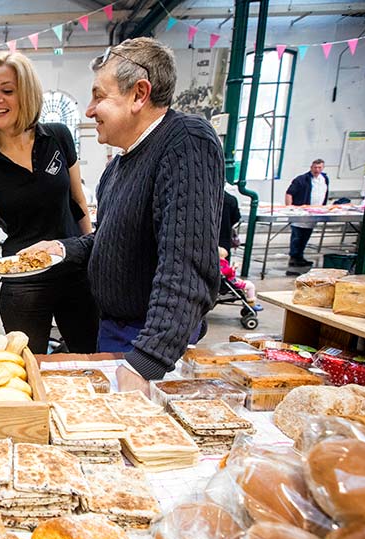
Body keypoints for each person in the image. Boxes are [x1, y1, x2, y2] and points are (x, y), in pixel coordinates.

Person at [27, 37, 224, 393]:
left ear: (139, 94)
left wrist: (147, 359)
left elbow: (187, 265)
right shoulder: (119, 166)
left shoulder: (185, 141)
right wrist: (63, 249)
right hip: (117, 332)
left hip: (154, 340)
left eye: (99, 96)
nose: (89, 110)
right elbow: (114, 241)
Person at [0, 52, 98, 354]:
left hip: (74, 268)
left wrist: (93, 254)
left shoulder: (58, 136)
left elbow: (78, 203)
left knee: (88, 357)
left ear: (27, 93)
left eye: (7, 90)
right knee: (28, 366)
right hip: (24, 281)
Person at [285, 158, 329, 269]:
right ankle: (294, 257)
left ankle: (300, 256)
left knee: (306, 235)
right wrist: (290, 208)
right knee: (297, 236)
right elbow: (289, 193)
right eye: (315, 167)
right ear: (311, 167)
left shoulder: (324, 179)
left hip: (314, 213)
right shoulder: (301, 179)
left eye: (319, 167)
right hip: (300, 213)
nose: (317, 170)